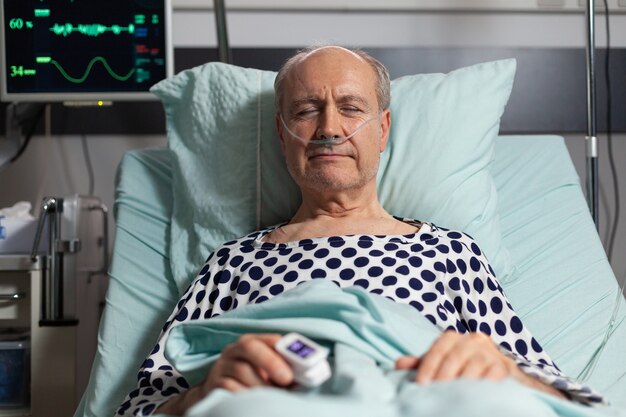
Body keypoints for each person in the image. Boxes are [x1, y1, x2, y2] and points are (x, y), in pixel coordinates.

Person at [115, 45, 604, 416]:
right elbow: (140, 406)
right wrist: (205, 392)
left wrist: (500, 374)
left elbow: (564, 397)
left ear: (383, 129)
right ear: (283, 136)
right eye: (307, 110)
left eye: (351, 108)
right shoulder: (233, 261)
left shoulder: (450, 250)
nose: (330, 127)